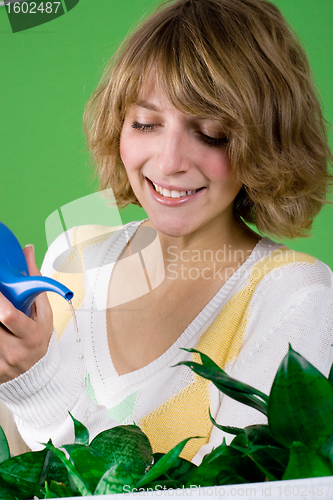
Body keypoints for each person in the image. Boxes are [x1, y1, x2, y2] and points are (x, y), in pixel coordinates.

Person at [0, 0, 332, 465]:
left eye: (211, 132)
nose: (169, 160)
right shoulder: (73, 256)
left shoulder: (294, 295)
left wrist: (37, 387)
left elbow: (235, 493)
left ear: (267, 142)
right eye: (145, 123)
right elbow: (24, 479)